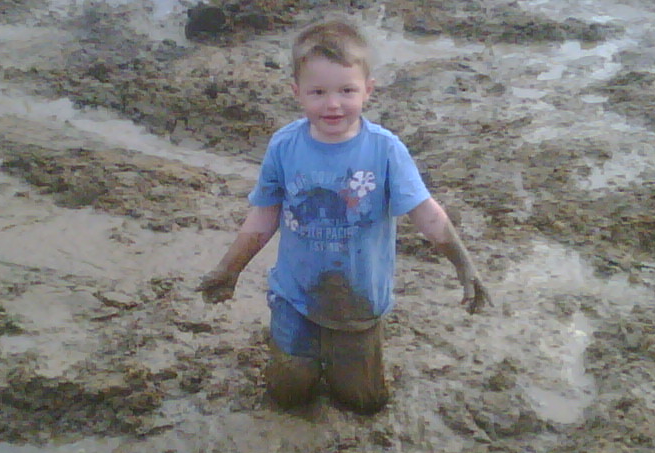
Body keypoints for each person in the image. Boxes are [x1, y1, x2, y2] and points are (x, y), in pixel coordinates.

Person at [196, 19, 491, 414]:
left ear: (368, 90)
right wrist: (229, 269)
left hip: (360, 302)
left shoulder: (385, 150)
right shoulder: (284, 146)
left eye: (346, 91)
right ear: (296, 92)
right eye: (318, 92)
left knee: (362, 402)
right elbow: (264, 216)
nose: (332, 104)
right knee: (287, 392)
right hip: (294, 297)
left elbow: (427, 214)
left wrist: (464, 266)